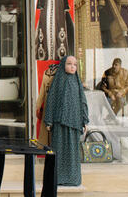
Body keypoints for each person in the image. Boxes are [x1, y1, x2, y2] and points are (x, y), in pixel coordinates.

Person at [42, 55, 88, 186]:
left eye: (74, 64)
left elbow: (82, 101)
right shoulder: (58, 81)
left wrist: (85, 120)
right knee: (59, 151)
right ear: (63, 65)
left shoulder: (77, 82)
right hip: (59, 122)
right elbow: (51, 100)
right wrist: (49, 120)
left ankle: (73, 179)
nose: (72, 66)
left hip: (74, 122)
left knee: (73, 152)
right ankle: (58, 178)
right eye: (69, 64)